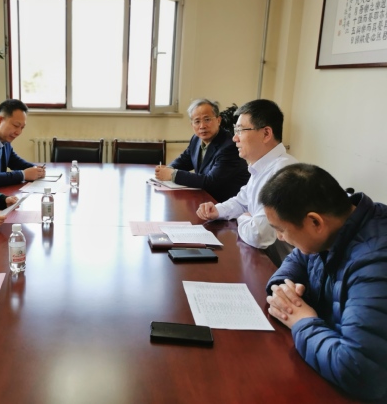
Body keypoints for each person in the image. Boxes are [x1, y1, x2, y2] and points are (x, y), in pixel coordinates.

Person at [261, 164, 387, 401]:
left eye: (281, 230)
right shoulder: (339, 221)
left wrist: (302, 321)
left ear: (315, 223)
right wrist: (283, 287)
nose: (280, 237)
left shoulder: (374, 264)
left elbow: (359, 369)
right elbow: (299, 257)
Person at [195, 98, 297, 266]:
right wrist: (217, 210)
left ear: (266, 134)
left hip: (278, 266)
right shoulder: (262, 166)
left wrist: (242, 218)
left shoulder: (283, 172)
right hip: (262, 258)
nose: (235, 138)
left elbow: (258, 235)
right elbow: (242, 201)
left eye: (241, 130)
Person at [154, 98, 249, 202]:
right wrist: (168, 169)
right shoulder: (196, 139)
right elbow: (184, 160)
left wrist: (172, 174)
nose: (202, 126)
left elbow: (210, 182)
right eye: (197, 121)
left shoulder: (229, 146)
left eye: (207, 119)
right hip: (205, 199)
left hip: (227, 204)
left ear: (218, 120)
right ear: (192, 125)